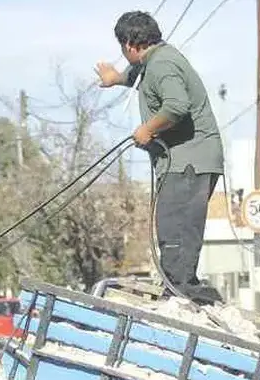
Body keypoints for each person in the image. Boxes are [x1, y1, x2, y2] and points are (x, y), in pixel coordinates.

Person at [94, 10, 224, 305]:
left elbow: (177, 105)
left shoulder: (162, 64)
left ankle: (182, 293)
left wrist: (148, 129)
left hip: (189, 161)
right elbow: (138, 73)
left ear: (129, 45)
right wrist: (116, 79)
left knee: (176, 229)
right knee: (171, 227)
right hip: (183, 160)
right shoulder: (153, 60)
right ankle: (178, 289)